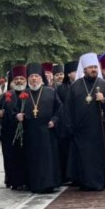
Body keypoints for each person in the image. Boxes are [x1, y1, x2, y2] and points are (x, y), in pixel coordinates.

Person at [62, 53, 105, 191]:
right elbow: (67, 108)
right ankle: (85, 182)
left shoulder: (104, 85)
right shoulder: (75, 87)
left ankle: (98, 182)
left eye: (95, 67)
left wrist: (104, 100)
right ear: (84, 69)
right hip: (80, 130)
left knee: (97, 158)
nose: (94, 70)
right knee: (83, 158)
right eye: (91, 67)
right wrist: (69, 126)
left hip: (98, 129)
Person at [20, 63, 61, 193]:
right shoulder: (24, 94)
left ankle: (50, 183)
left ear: (41, 78)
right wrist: (18, 116)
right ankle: (35, 184)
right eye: (31, 76)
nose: (33, 79)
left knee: (48, 159)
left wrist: (54, 121)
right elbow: (16, 110)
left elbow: (60, 109)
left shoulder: (51, 92)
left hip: (47, 131)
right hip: (30, 132)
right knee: (33, 158)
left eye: (36, 76)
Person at [0, 65, 28, 190]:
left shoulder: (31, 94)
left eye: (21, 78)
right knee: (11, 158)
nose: (19, 81)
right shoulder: (6, 96)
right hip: (9, 134)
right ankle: (13, 180)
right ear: (13, 81)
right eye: (17, 79)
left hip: (26, 132)